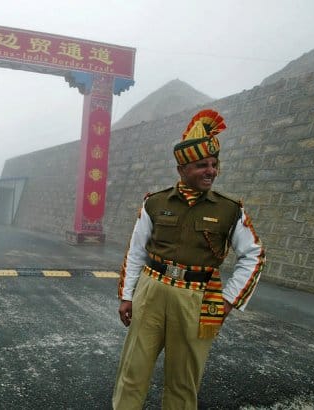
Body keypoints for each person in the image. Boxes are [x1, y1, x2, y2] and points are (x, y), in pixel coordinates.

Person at [112, 109, 265, 409]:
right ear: (181, 169)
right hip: (151, 291)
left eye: (214, 164)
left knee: (183, 382)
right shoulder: (155, 202)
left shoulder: (229, 210)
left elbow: (254, 254)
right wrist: (127, 295)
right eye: (201, 165)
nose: (211, 171)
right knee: (133, 371)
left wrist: (229, 300)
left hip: (197, 298)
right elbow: (136, 251)